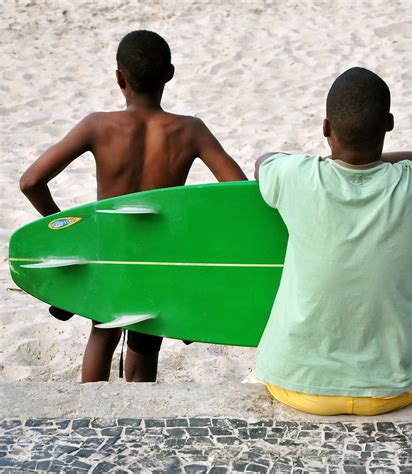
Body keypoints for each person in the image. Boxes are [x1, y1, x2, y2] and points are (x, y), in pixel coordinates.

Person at [20, 30, 247, 383]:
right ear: (169, 74)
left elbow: (31, 181)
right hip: (159, 257)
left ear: (119, 77)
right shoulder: (190, 131)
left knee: (103, 332)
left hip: (108, 250)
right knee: (145, 341)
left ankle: (90, 418)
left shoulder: (97, 125)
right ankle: (142, 418)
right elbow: (238, 192)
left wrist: (65, 230)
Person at [254, 67, 412, 415]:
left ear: (326, 128)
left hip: (295, 383)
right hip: (386, 391)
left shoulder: (298, 177)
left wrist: (331, 161)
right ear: (389, 123)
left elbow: (263, 161)